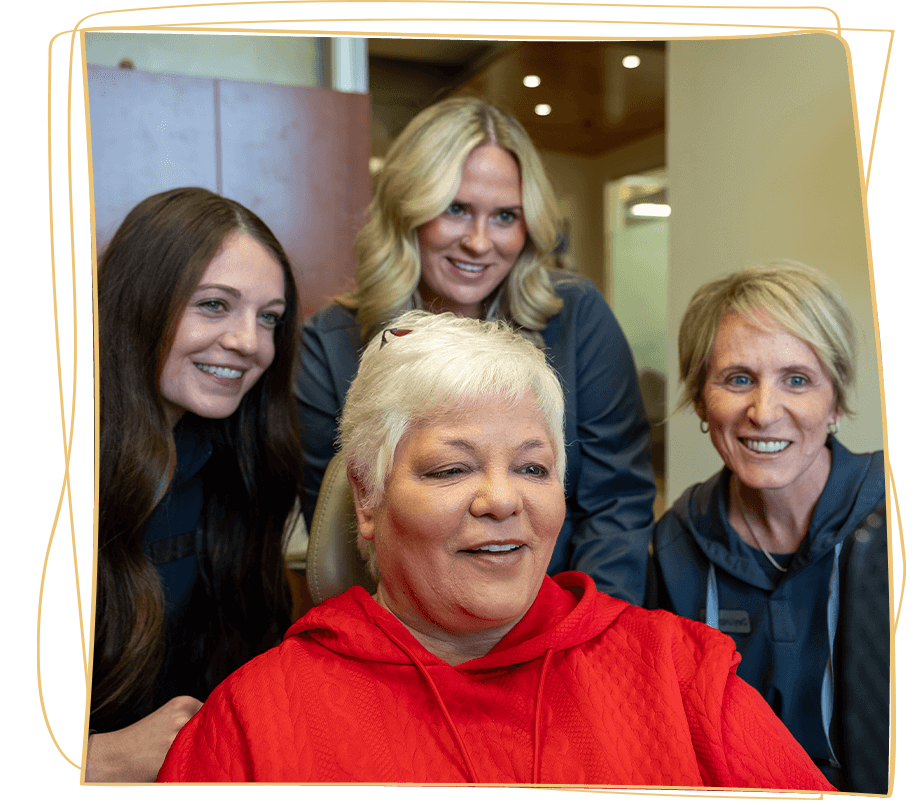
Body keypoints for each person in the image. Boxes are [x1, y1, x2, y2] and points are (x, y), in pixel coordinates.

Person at [158, 311, 833, 788]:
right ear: (366, 499)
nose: (501, 500)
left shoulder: (681, 677)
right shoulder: (255, 719)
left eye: (533, 468)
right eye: (450, 469)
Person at [296, 97, 655, 605]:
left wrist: (588, 633)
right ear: (407, 212)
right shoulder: (330, 345)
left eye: (505, 216)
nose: (480, 243)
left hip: (561, 609)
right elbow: (346, 524)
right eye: (456, 210)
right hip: (411, 623)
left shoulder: (575, 315)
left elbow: (617, 501)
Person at [89, 187, 304, 782]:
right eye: (214, 305)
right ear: (139, 301)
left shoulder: (235, 463)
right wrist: (95, 759)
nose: (248, 342)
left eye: (269, 319)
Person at [650, 261, 889, 793]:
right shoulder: (676, 544)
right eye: (738, 379)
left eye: (797, 380)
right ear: (700, 401)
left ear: (836, 402)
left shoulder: (887, 520)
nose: (763, 411)